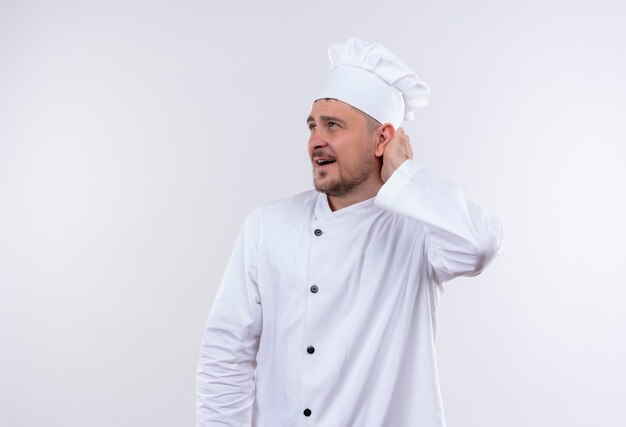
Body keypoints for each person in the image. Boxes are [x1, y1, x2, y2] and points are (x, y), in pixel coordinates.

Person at [196, 37, 503, 427]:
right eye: (312, 126)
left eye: (333, 125)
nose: (315, 141)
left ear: (382, 139)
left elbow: (480, 246)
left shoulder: (418, 230)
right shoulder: (267, 226)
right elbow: (227, 352)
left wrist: (405, 174)